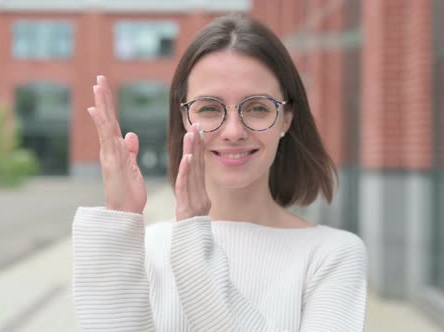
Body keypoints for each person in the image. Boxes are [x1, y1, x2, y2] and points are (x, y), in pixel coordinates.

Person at [73, 13, 367, 332]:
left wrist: (193, 244)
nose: (233, 131)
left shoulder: (333, 255)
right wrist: (119, 220)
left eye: (257, 107)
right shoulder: (143, 247)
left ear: (287, 118)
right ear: (185, 116)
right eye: (210, 108)